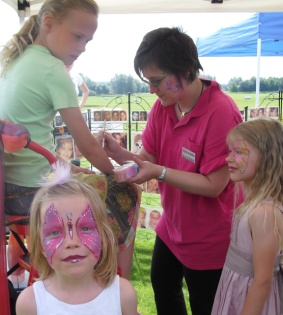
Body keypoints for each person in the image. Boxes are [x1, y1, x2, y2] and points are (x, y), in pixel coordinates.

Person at [101, 27, 243, 315]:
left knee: (205, 304)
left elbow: (215, 184)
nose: (151, 90)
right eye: (148, 81)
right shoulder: (163, 107)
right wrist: (119, 154)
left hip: (210, 236)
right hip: (172, 228)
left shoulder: (221, 112)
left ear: (187, 70)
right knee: (164, 288)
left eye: (156, 81)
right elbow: (147, 159)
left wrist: (160, 172)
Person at [0, 0, 135, 289]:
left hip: (8, 185)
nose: (83, 46)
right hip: (32, 189)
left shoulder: (14, 62)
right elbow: (86, 143)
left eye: (88, 40)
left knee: (79, 172)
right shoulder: (52, 69)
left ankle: (26, 270)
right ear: (48, 24)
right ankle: (113, 282)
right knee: (126, 192)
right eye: (78, 36)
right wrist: (112, 173)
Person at [15, 166, 138, 315]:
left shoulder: (123, 296)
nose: (71, 242)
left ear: (103, 237)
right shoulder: (30, 304)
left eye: (85, 228)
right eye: (54, 232)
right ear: (40, 243)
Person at [212, 118, 283, 315]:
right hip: (236, 292)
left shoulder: (264, 213)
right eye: (229, 151)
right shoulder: (252, 204)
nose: (228, 158)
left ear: (267, 158)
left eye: (239, 152)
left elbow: (262, 281)